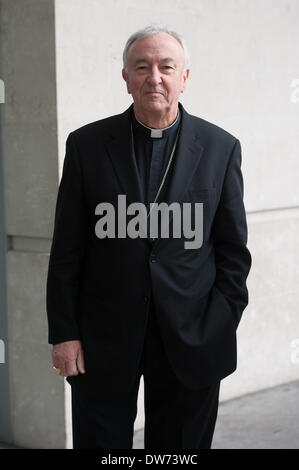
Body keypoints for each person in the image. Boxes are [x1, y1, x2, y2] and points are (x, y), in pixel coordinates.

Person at [46, 24, 251, 449]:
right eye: (142, 67)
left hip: (192, 337)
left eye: (165, 67)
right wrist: (64, 333)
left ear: (184, 77)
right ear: (126, 78)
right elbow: (67, 249)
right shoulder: (87, 145)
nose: (154, 77)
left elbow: (233, 253)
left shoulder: (220, 147)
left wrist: (219, 324)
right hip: (102, 337)